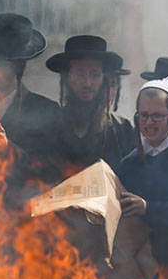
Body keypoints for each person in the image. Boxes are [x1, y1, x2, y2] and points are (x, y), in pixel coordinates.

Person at [0, 12, 61, 180]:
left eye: (4, 65)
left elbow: (52, 172)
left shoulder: (48, 111)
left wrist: (6, 150)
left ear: (19, 66)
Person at [46, 35, 134, 175]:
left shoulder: (123, 130)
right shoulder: (49, 126)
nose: (87, 83)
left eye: (95, 75)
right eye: (79, 74)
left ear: (104, 78)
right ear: (67, 78)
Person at [118, 77, 168, 264]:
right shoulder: (129, 163)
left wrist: (148, 208)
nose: (148, 122)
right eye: (143, 115)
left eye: (157, 115)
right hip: (138, 260)